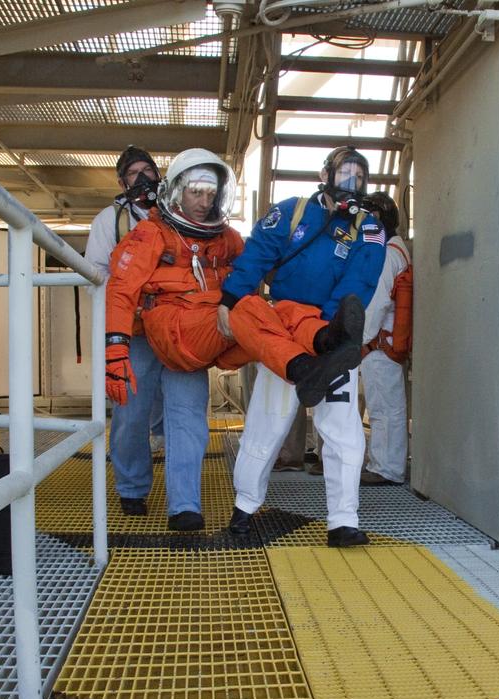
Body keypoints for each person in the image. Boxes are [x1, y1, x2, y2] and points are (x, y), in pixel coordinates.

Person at [104, 149, 360, 530]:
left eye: (211, 193)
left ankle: (323, 340)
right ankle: (131, 487)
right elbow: (122, 290)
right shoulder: (150, 233)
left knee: (192, 414)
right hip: (164, 329)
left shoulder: (226, 239)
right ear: (175, 191)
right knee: (132, 415)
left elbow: (256, 264)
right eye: (196, 192)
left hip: (206, 331)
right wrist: (115, 349)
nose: (204, 201)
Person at [220, 146, 387, 547]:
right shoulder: (293, 211)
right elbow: (258, 253)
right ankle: (244, 506)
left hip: (333, 339)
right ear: (325, 174)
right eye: (345, 174)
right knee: (267, 420)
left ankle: (343, 520)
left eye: (360, 177)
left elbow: (358, 284)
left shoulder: (370, 229)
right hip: (283, 333)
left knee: (343, 430)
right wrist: (231, 299)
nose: (352, 183)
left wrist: (328, 334)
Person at [86, 145, 164, 517]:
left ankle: (184, 493)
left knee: (180, 412)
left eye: (149, 170)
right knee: (130, 409)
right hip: (134, 331)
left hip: (176, 326)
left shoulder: (175, 213)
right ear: (122, 182)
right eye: (135, 173)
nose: (145, 178)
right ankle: (131, 488)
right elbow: (96, 275)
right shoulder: (110, 220)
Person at [358, 192, 411, 486]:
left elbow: (377, 301)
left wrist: (361, 343)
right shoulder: (396, 248)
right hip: (383, 342)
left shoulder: (388, 252)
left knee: (385, 408)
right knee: (385, 406)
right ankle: (384, 464)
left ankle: (386, 468)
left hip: (380, 344)